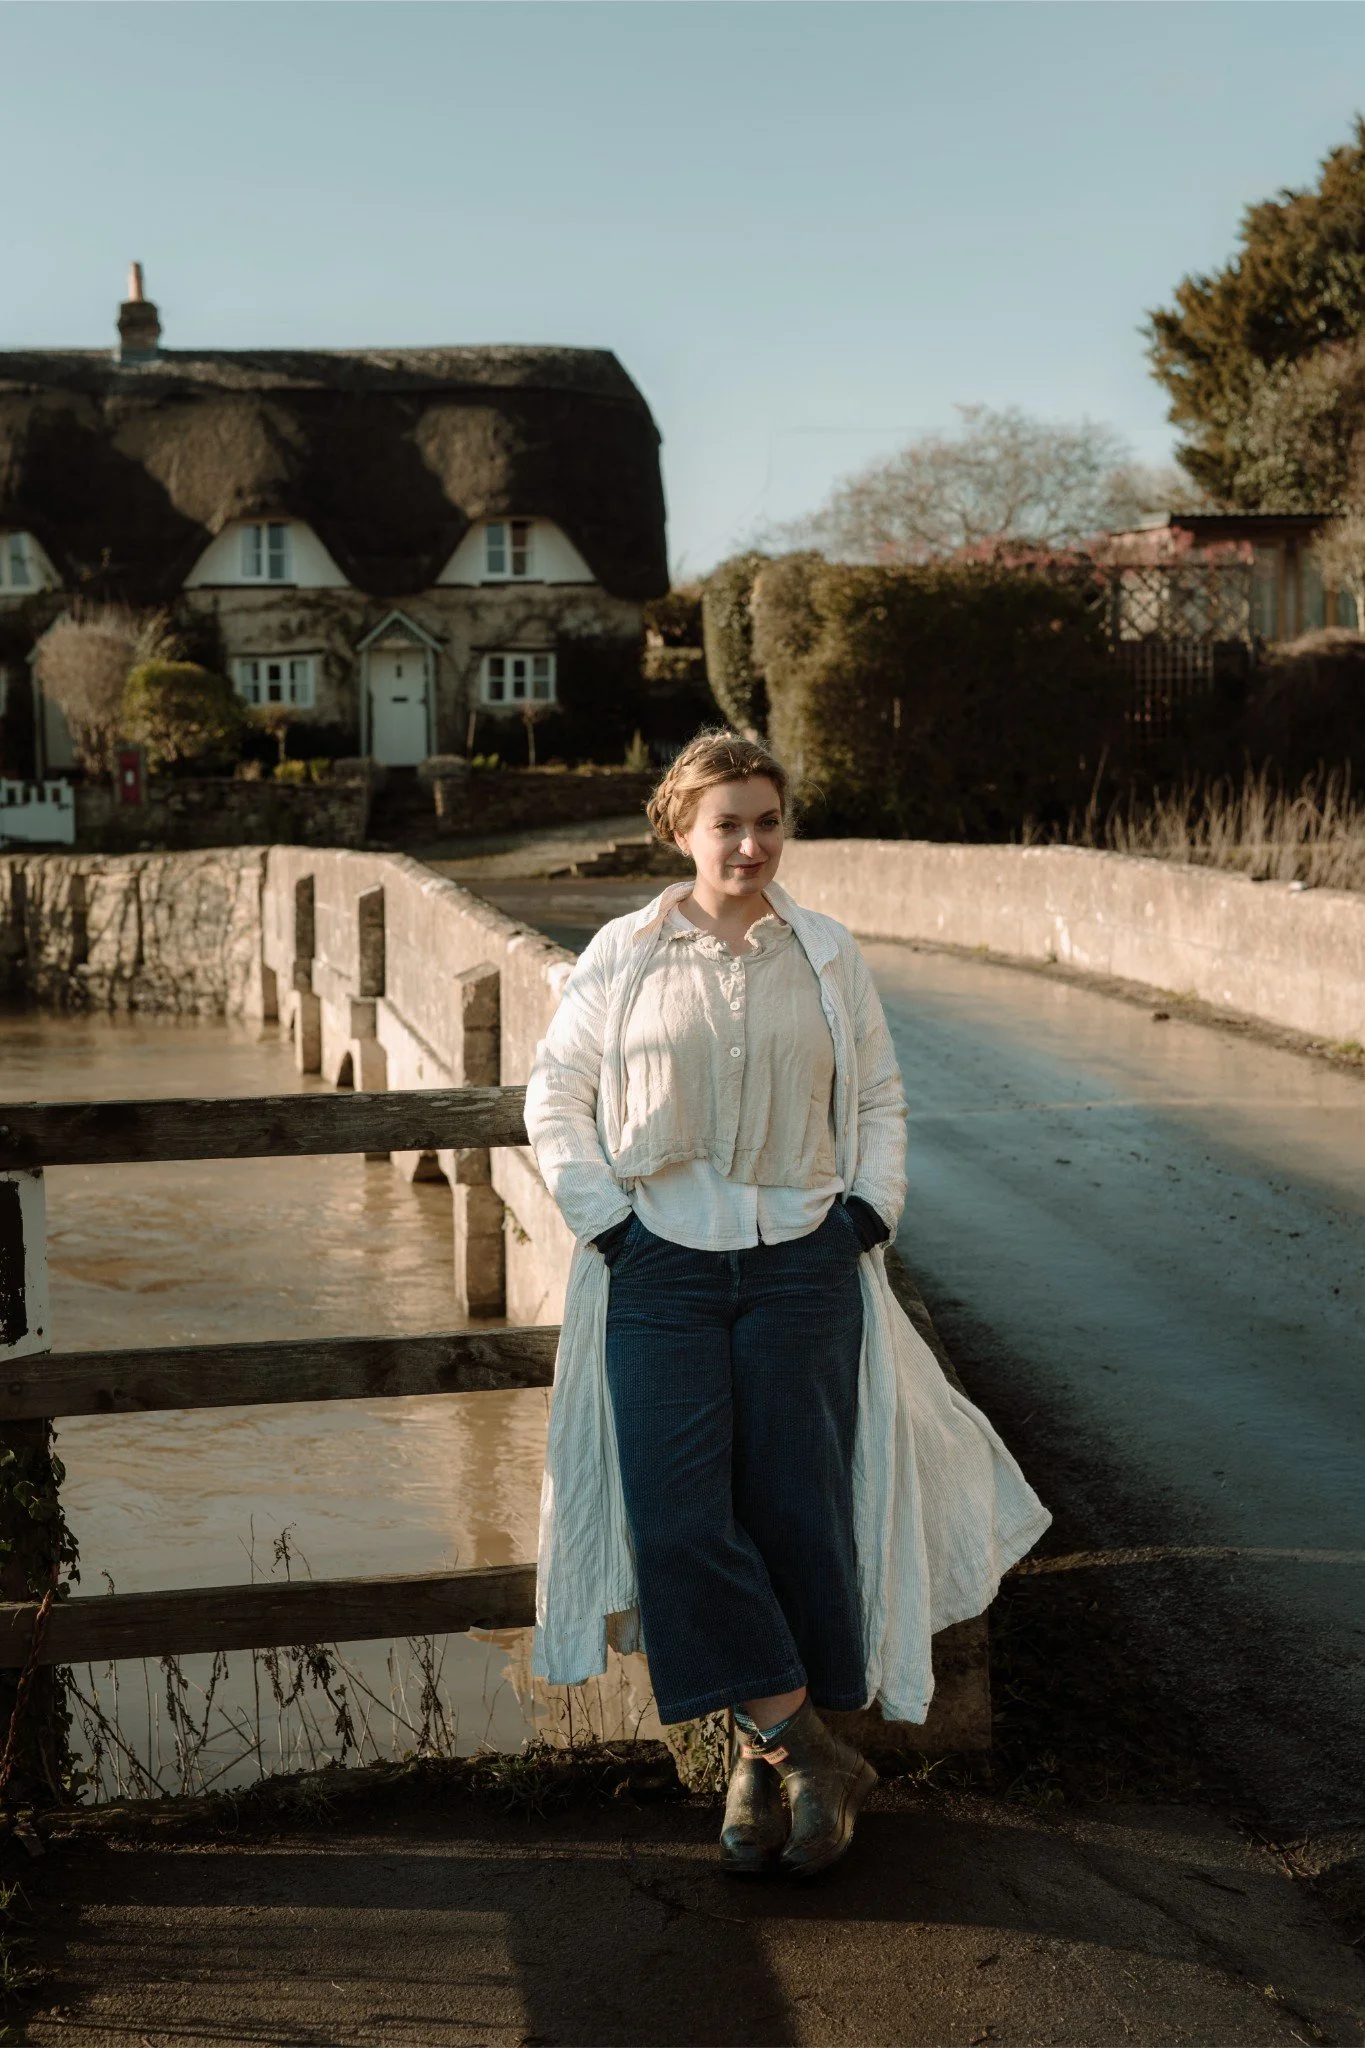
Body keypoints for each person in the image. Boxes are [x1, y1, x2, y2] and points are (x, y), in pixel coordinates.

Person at [524, 730, 1049, 1878]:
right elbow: (555, 1095)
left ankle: (763, 1770)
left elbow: (880, 1095)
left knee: (798, 1511)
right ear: (682, 829)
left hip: (803, 1264)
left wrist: (865, 1214)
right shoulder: (620, 951)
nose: (751, 843)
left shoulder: (828, 953)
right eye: (728, 823)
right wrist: (608, 1224)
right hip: (656, 1266)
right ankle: (812, 1742)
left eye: (767, 820)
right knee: (676, 1515)